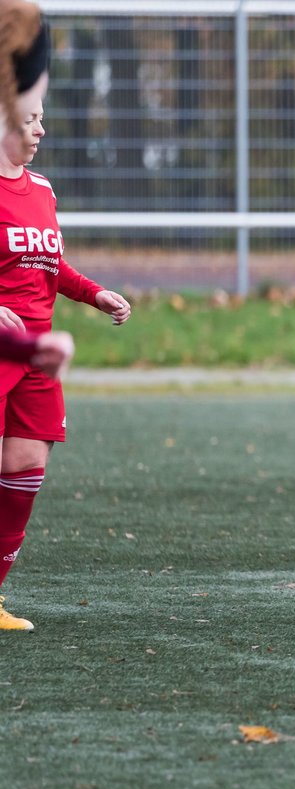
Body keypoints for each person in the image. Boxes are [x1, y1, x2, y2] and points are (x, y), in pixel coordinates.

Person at [1, 7, 132, 631]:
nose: (40, 129)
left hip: (36, 355)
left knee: (25, 471)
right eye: (30, 119)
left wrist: (94, 293)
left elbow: (51, 268)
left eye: (42, 118)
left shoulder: (44, 191)